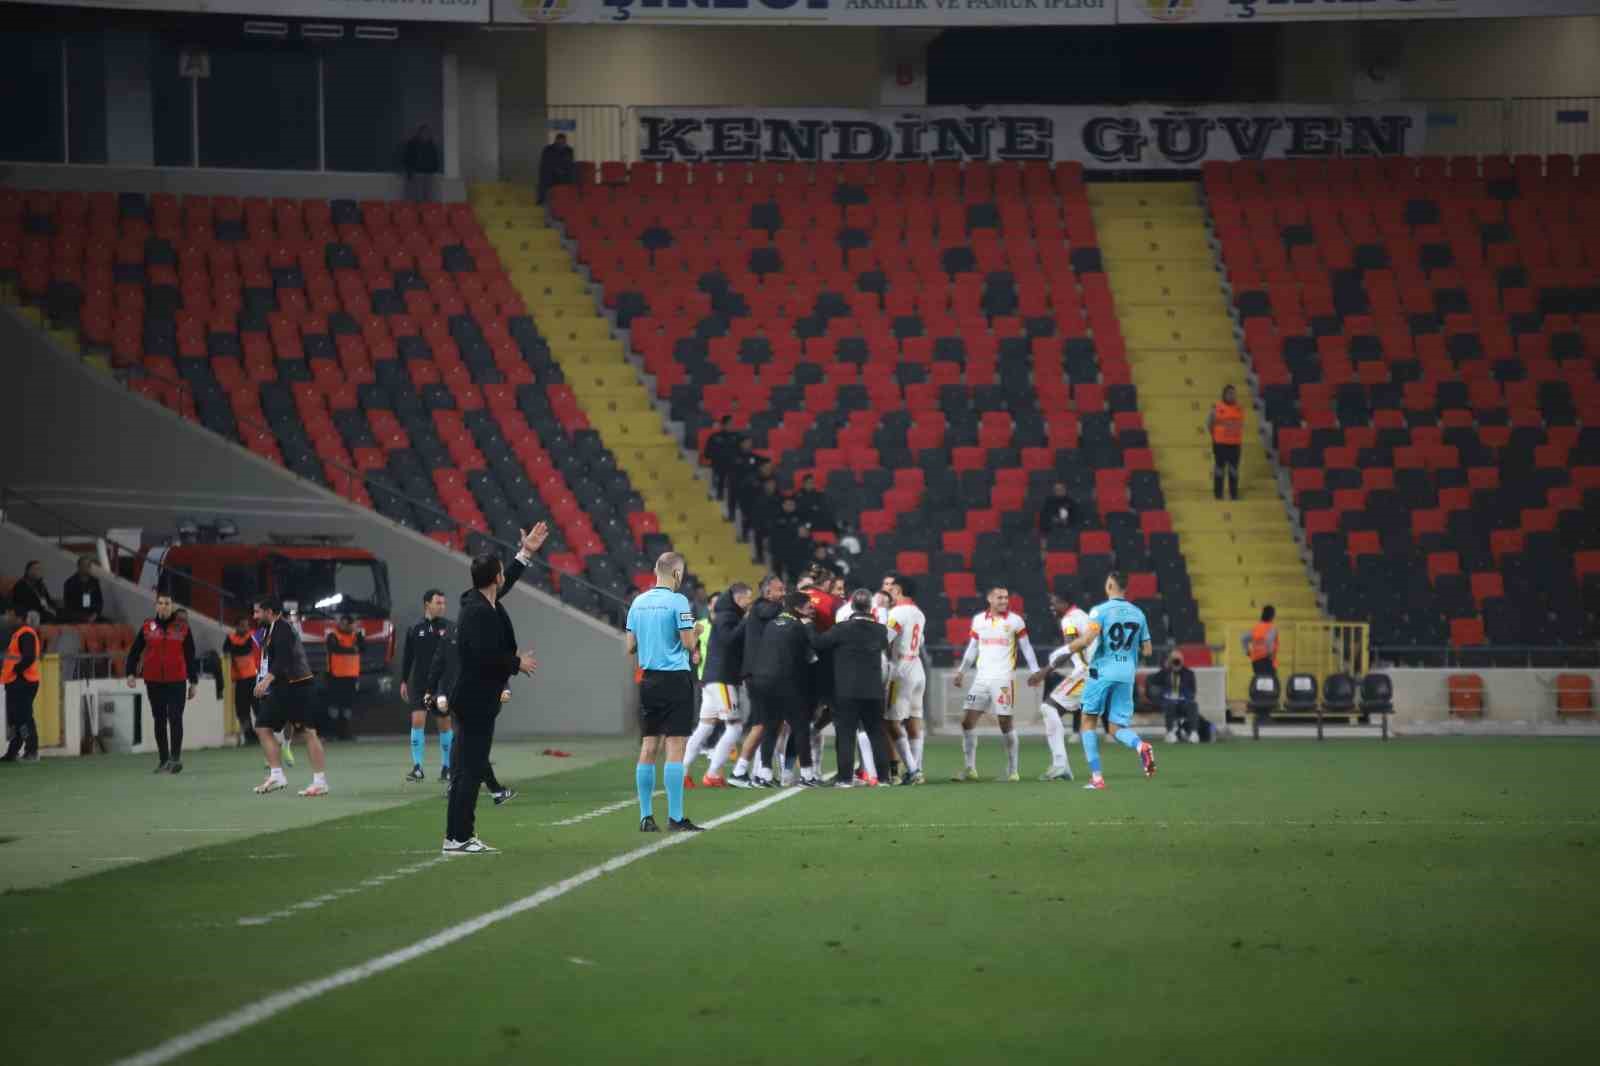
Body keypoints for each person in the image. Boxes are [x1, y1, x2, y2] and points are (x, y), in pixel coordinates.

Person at [442, 524, 546, 854]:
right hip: (475, 700)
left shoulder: (482, 600)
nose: (505, 577)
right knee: (468, 770)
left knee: (465, 769)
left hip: (475, 698)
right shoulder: (477, 611)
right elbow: (482, 655)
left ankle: (456, 836)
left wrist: (525, 553)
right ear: (495, 578)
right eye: (502, 572)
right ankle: (460, 837)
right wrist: (517, 664)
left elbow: (508, 582)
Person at [624, 552, 704, 832]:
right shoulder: (678, 601)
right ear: (678, 574)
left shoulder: (638, 602)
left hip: (648, 681)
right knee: (675, 747)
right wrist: (696, 630)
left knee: (648, 747)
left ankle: (646, 817)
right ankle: (676, 817)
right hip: (675, 680)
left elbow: (630, 647)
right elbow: (687, 643)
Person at [1059, 571, 1156, 790]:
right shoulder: (1138, 613)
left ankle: (1097, 778)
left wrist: (1067, 649)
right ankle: (1141, 746)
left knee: (1088, 721)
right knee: (1115, 727)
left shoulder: (1099, 611)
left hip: (1102, 671)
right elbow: (1148, 650)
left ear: (1110, 584)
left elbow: (1088, 639)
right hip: (1126, 673)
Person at [951, 586, 1040, 783]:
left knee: (1005, 723)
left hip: (1003, 679)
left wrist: (1035, 671)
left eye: (1006, 598)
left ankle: (1012, 770)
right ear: (990, 599)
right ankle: (970, 768)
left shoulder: (1015, 621)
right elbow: (973, 648)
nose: (1004, 601)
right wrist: (962, 672)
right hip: (981, 678)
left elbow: (1026, 647)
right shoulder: (979, 620)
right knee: (967, 721)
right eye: (1000, 597)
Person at [737, 591, 820, 788]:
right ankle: (808, 775)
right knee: (800, 728)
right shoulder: (799, 627)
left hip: (762, 682)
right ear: (798, 608)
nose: (812, 609)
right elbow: (811, 657)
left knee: (770, 727)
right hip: (787, 683)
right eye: (808, 606)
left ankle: (764, 774)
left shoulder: (771, 624)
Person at [811, 588, 891, 787]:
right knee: (877, 734)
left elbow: (818, 643)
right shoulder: (881, 631)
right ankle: (884, 778)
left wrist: (807, 625)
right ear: (870, 607)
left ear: (852, 606)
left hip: (846, 691)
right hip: (874, 691)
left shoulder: (841, 629)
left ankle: (845, 779)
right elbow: (885, 643)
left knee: (846, 734)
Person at [252, 597, 330, 797]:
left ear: (269, 611)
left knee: (308, 732)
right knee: (262, 727)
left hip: (298, 687)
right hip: (282, 688)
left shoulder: (283, 628)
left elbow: (284, 659)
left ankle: (320, 782)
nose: (255, 616)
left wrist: (266, 681)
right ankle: (277, 775)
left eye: (258, 612)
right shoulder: (271, 630)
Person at [124, 592, 198, 774]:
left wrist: (193, 682)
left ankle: (175, 758)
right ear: (156, 606)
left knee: (175, 717)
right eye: (161, 603)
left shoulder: (183, 628)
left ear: (172, 606)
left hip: (177, 680)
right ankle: (163, 759)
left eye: (167, 603)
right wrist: (130, 673)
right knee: (159, 719)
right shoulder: (147, 627)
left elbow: (190, 656)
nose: (164, 606)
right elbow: (134, 652)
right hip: (153, 680)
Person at [689, 583, 752, 787]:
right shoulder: (726, 617)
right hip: (721, 679)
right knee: (734, 727)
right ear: (737, 598)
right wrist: (745, 623)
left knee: (705, 726)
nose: (748, 602)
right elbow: (728, 640)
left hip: (711, 678)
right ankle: (713, 773)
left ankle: (680, 771)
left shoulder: (723, 616)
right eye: (746, 598)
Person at [1028, 589, 1092, 782]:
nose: (1052, 607)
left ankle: (1060, 765)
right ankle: (1060, 764)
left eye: (1055, 603)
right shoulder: (1083, 615)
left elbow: (1072, 648)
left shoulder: (1069, 620)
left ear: (1064, 604)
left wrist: (1044, 671)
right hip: (1094, 672)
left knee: (1048, 708)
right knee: (1051, 708)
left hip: (1087, 674)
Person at [728, 574, 785, 787]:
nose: (783, 593)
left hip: (765, 674)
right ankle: (739, 770)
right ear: (768, 592)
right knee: (762, 723)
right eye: (779, 590)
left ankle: (760, 772)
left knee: (771, 723)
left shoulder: (765, 611)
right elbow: (772, 612)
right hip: (758, 675)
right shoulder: (762, 607)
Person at [401, 589, 455, 783]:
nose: (442, 606)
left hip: (441, 685)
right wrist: (403, 680)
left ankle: (447, 767)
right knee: (417, 721)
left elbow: (455, 657)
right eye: (438, 603)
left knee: (444, 724)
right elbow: (408, 657)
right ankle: (417, 768)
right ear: (427, 604)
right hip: (420, 684)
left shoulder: (450, 627)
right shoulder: (414, 628)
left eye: (443, 603)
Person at [883, 576, 928, 785]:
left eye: (891, 589)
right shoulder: (919, 612)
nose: (889, 593)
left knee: (891, 721)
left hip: (900, 669)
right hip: (917, 666)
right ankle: (917, 767)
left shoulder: (897, 613)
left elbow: (885, 638)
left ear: (898, 590)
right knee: (914, 718)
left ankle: (911, 770)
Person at [0, 603, 40, 762]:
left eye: (10, 615)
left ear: (18, 617)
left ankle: (32, 750)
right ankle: (13, 751)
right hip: (16, 682)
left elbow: (28, 657)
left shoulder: (26, 633)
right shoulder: (17, 634)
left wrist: (16, 672)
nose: (7, 618)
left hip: (23, 682)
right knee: (16, 719)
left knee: (24, 718)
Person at [323, 613, 363, 741]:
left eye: (350, 623)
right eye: (345, 623)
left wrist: (358, 634)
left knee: (347, 706)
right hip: (335, 676)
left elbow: (363, 648)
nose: (348, 626)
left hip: (351, 676)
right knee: (334, 706)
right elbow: (336, 649)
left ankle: (345, 733)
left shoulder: (356, 636)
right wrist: (353, 649)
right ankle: (331, 733)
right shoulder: (333, 636)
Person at [1149, 650, 1200, 744]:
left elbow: (1193, 691)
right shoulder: (1165, 672)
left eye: (1178, 660)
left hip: (1183, 702)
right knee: (1170, 704)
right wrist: (1166, 666)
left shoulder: (1189, 673)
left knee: (1193, 704)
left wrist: (1184, 697)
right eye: (1174, 660)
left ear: (1182, 661)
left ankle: (1193, 732)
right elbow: (1153, 682)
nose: (1176, 662)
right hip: (1168, 702)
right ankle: (1170, 732)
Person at [223, 616, 260, 746]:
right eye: (243, 625)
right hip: (239, 680)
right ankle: (249, 736)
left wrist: (232, 651)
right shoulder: (230, 638)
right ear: (237, 626)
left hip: (253, 678)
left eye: (247, 625)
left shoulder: (251, 637)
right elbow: (226, 652)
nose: (246, 628)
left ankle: (263, 734)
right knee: (242, 711)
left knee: (258, 708)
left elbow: (242, 650)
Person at [1207, 384, 1244, 501]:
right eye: (1229, 393)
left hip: (1235, 445)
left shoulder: (1239, 408)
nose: (1232, 396)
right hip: (1220, 445)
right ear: (1224, 395)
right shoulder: (1216, 408)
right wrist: (1215, 437)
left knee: (1234, 471)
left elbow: (1240, 425)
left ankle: (1234, 495)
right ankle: (1218, 495)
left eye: (1233, 393)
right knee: (1219, 470)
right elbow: (1209, 424)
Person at [402, 125, 441, 203]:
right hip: (416, 174)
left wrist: (434, 169)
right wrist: (410, 171)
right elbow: (407, 159)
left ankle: (427, 213)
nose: (426, 134)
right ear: (419, 133)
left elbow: (435, 159)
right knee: (417, 197)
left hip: (429, 174)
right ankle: (417, 212)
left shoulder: (432, 145)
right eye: (424, 132)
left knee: (429, 197)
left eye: (427, 133)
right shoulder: (412, 144)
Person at [62, 556, 104, 623]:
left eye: (89, 565)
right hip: (76, 616)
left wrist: (95, 614)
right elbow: (68, 605)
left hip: (92, 614)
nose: (88, 568)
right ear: (79, 567)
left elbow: (99, 601)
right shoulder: (70, 583)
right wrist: (81, 616)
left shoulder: (94, 582)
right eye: (85, 565)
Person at [537, 133, 576, 205]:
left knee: (571, 177)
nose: (561, 144)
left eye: (563, 142)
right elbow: (546, 164)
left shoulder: (569, 150)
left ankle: (565, 202)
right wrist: (556, 169)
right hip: (550, 175)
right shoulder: (548, 149)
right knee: (545, 179)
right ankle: (543, 201)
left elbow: (570, 164)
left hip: (564, 175)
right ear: (556, 141)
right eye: (560, 142)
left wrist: (564, 171)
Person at [1244, 605, 1279, 678]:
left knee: (1259, 682)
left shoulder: (1256, 628)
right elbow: (1269, 640)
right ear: (1272, 616)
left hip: (1256, 662)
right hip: (1268, 661)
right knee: (1270, 685)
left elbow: (1243, 638)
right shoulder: (1271, 628)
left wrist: (1247, 651)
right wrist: (1269, 652)